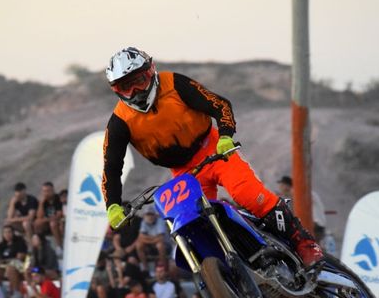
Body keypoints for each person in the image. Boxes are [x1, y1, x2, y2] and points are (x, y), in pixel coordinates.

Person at [102, 47, 322, 268]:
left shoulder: (174, 84)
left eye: (140, 81)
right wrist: (113, 206)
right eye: (126, 87)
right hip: (183, 173)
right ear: (116, 90)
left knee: (247, 195)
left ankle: (303, 242)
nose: (136, 91)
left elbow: (219, 105)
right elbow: (111, 166)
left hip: (214, 150)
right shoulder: (119, 121)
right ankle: (234, 274)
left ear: (151, 72)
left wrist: (225, 136)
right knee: (195, 225)